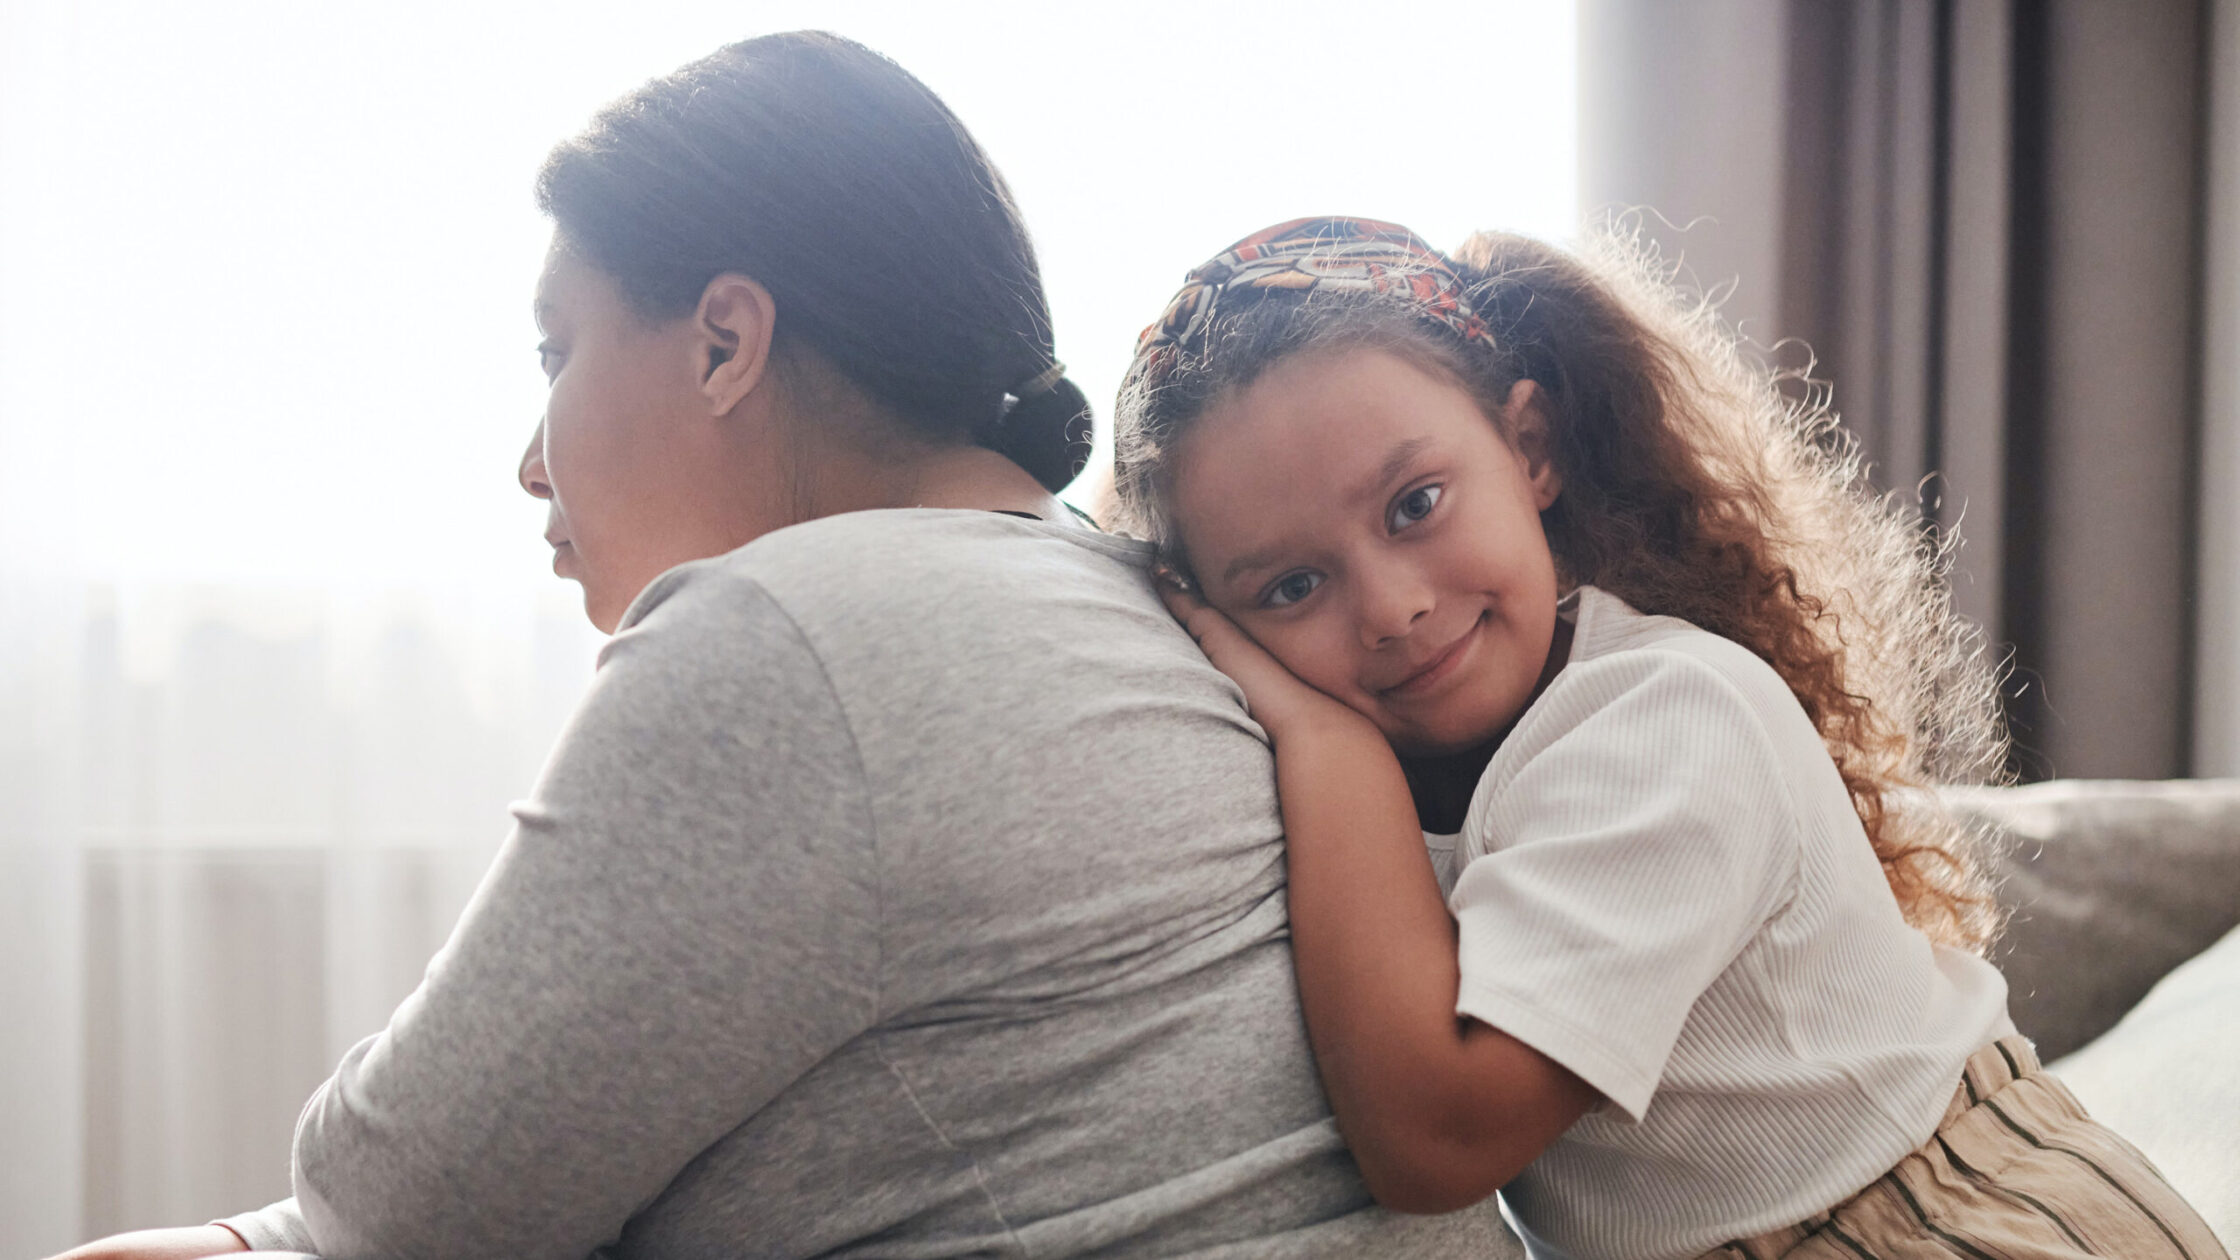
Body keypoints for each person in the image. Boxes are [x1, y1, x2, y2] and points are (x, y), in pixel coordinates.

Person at [48, 44, 1517, 1260]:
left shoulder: (799, 634)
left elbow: (394, 1214)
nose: (530, 463)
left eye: (557, 355)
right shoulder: (1145, 591)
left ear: (723, 343)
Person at [1113, 216, 2230, 1260]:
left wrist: (1323, 744)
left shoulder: (1663, 720)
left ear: (1530, 448)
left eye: (1415, 504)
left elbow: (1439, 1141)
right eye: (1291, 586)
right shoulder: (1396, 764)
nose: (1391, 608)